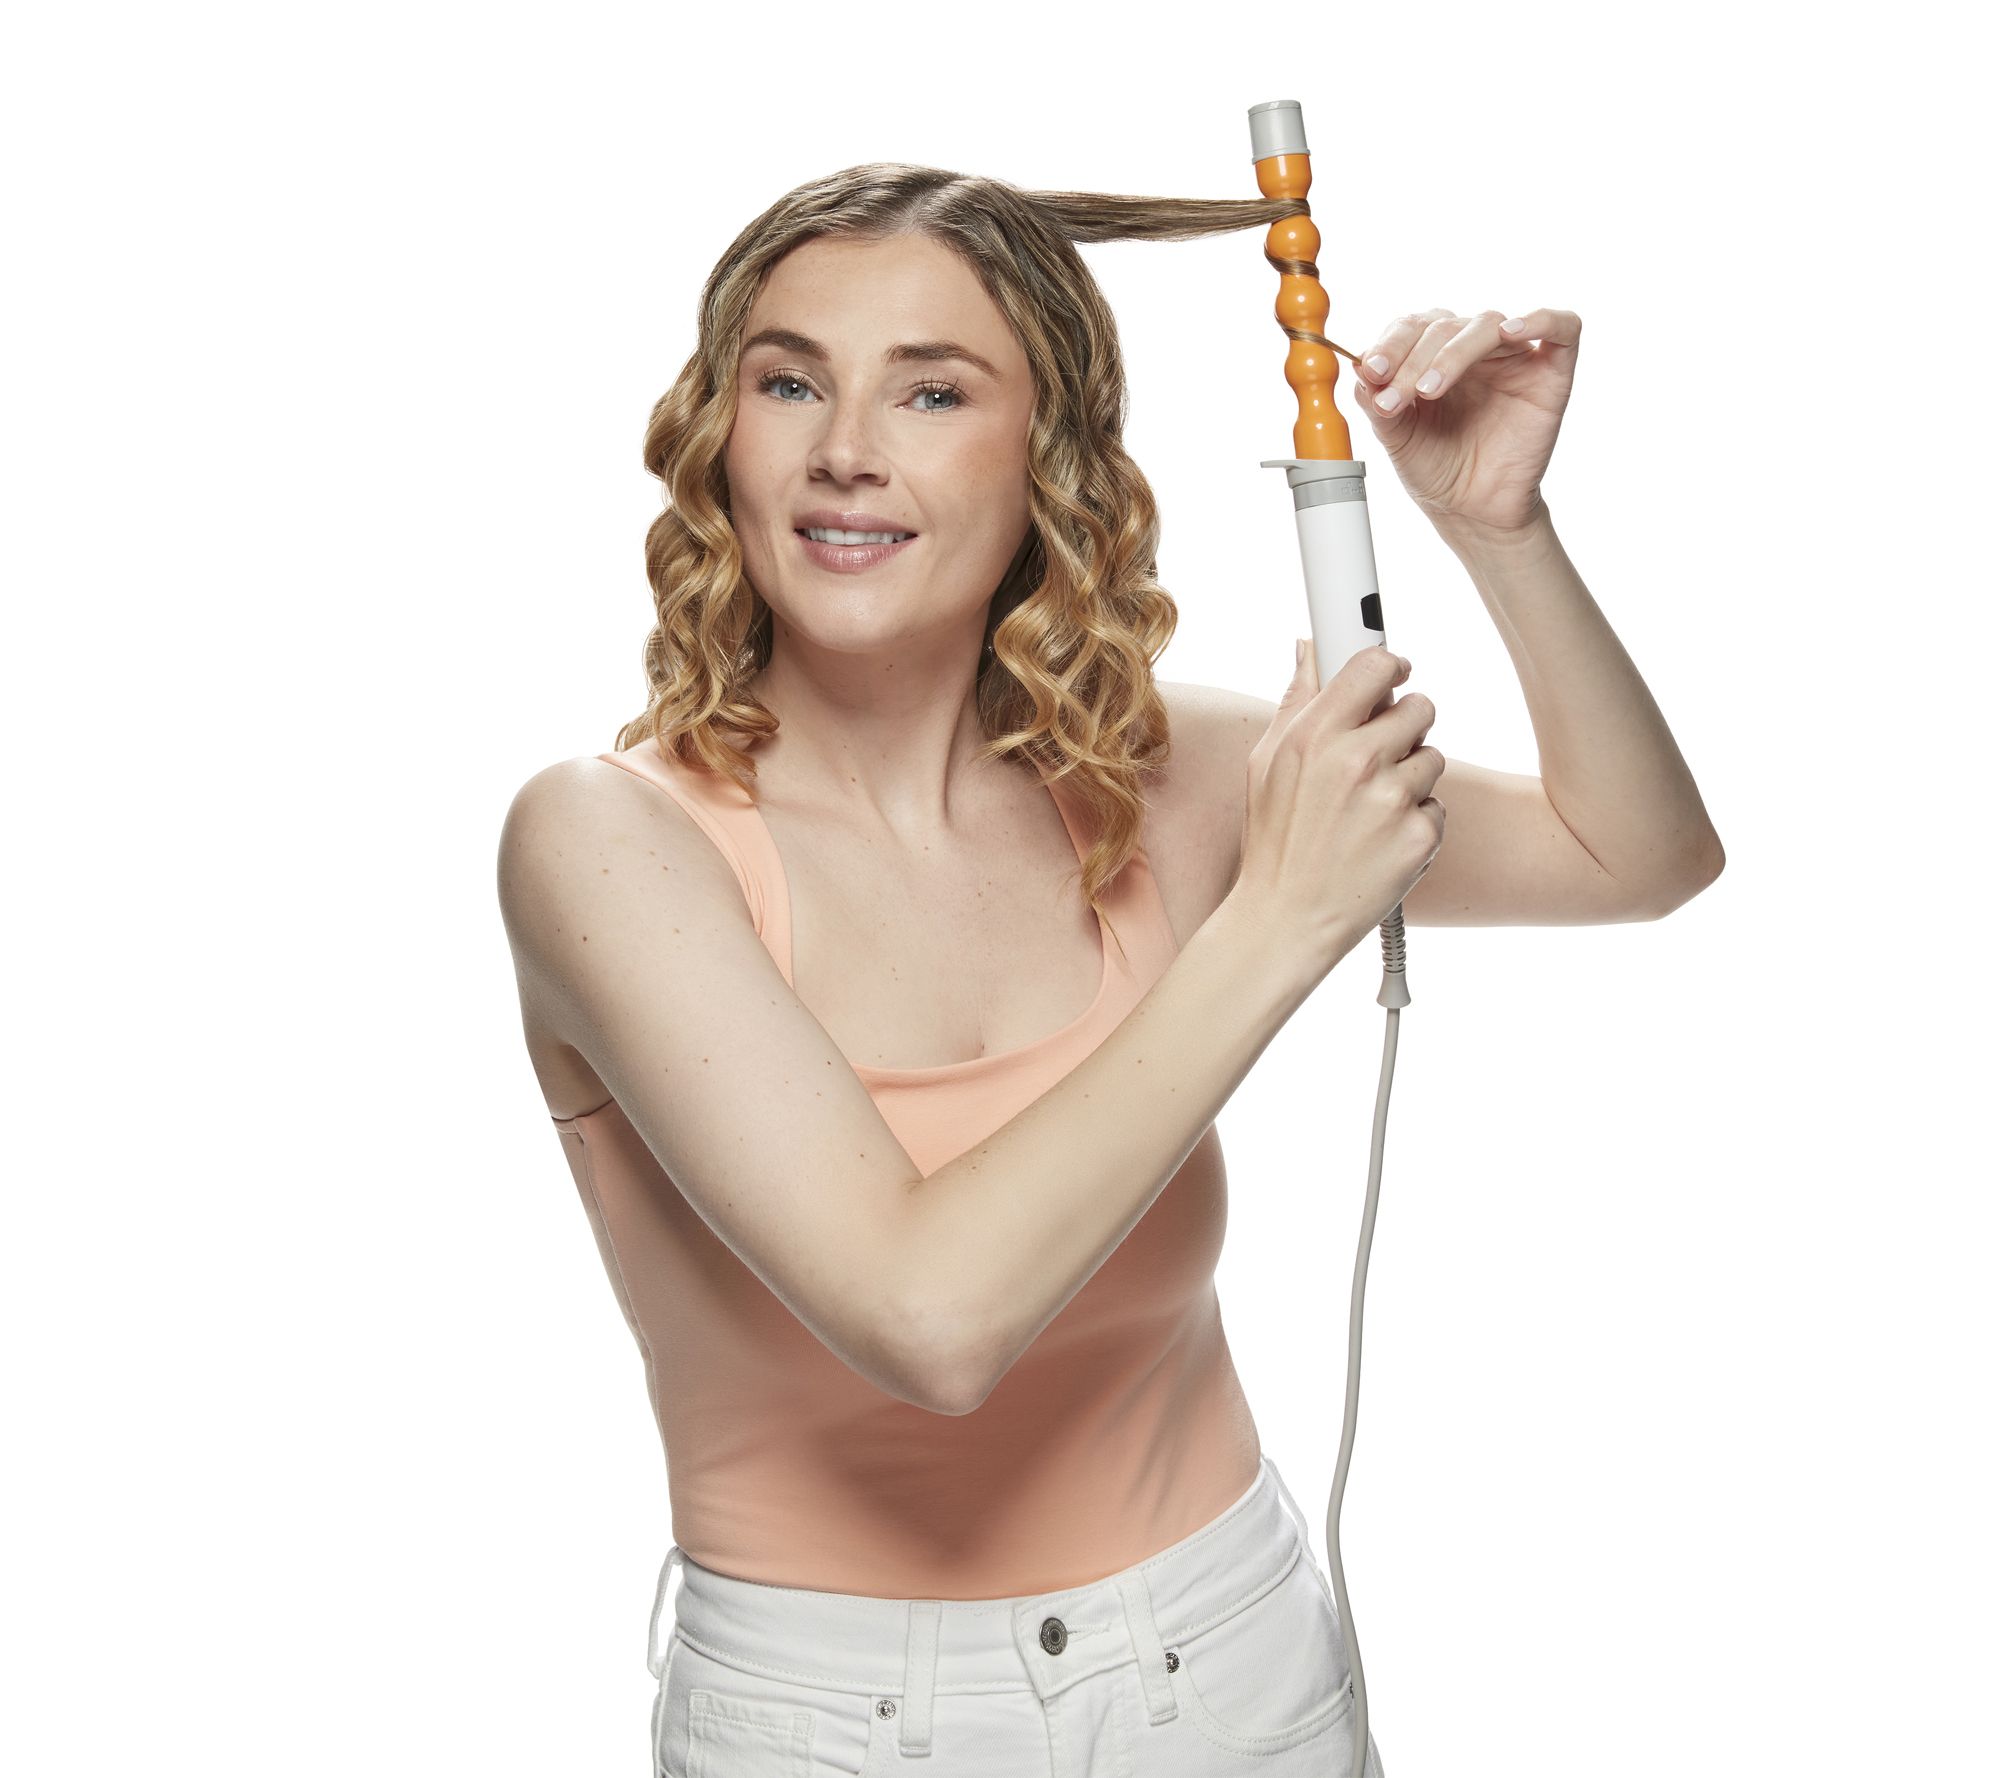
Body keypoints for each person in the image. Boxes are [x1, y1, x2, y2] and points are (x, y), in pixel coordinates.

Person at [497, 162, 1721, 1777]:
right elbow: (932, 1317)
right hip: (834, 1720)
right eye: (789, 381)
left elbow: (1635, 853)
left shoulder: (1150, 774)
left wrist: (1500, 530)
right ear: (723, 431)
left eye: (932, 390)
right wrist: (1279, 919)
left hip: (1232, 1664)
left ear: (1048, 455)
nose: (844, 446)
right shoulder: (607, 842)